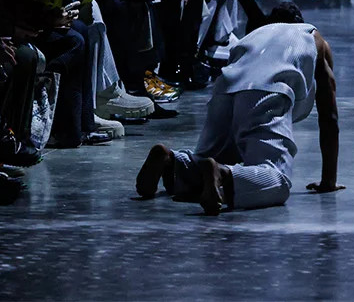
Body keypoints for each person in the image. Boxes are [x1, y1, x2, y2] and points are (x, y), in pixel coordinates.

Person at [134, 18, 341, 214]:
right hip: (267, 90)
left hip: (224, 88)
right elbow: (329, 116)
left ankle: (172, 161)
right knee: (277, 180)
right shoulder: (315, 39)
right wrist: (328, 182)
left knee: (208, 159)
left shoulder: (257, 33)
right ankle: (223, 174)